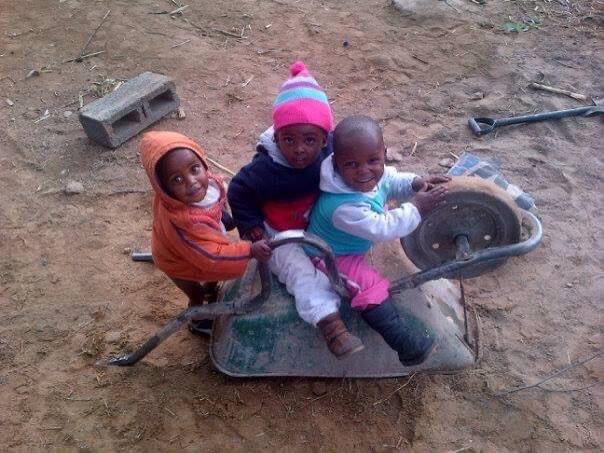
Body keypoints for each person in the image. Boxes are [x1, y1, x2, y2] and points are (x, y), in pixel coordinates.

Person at [227, 61, 364, 359]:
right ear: (276, 137)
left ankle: (366, 296)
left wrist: (407, 184)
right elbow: (238, 191)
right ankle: (330, 325)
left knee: (348, 250)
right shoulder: (265, 169)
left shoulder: (330, 152)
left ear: (324, 138)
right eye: (289, 140)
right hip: (279, 231)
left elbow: (360, 163)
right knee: (298, 271)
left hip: (316, 220)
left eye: (309, 140)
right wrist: (254, 230)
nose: (300, 149)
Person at [307, 115, 450, 366]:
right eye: (351, 164)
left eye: (373, 161)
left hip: (349, 245)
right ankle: (406, 346)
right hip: (328, 255)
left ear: (383, 153)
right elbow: (383, 228)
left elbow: (391, 181)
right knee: (367, 287)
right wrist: (417, 207)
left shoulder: (370, 175)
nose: (364, 170)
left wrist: (416, 183)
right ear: (337, 164)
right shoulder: (342, 207)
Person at [139, 131, 272, 335]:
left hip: (198, 246)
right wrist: (249, 251)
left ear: (202, 162)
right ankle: (197, 320)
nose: (191, 181)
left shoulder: (206, 185)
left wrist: (223, 217)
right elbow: (211, 257)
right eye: (177, 179)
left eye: (194, 169)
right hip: (177, 260)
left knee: (212, 279)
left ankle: (211, 290)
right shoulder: (184, 223)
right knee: (196, 293)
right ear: (164, 189)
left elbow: (216, 202)